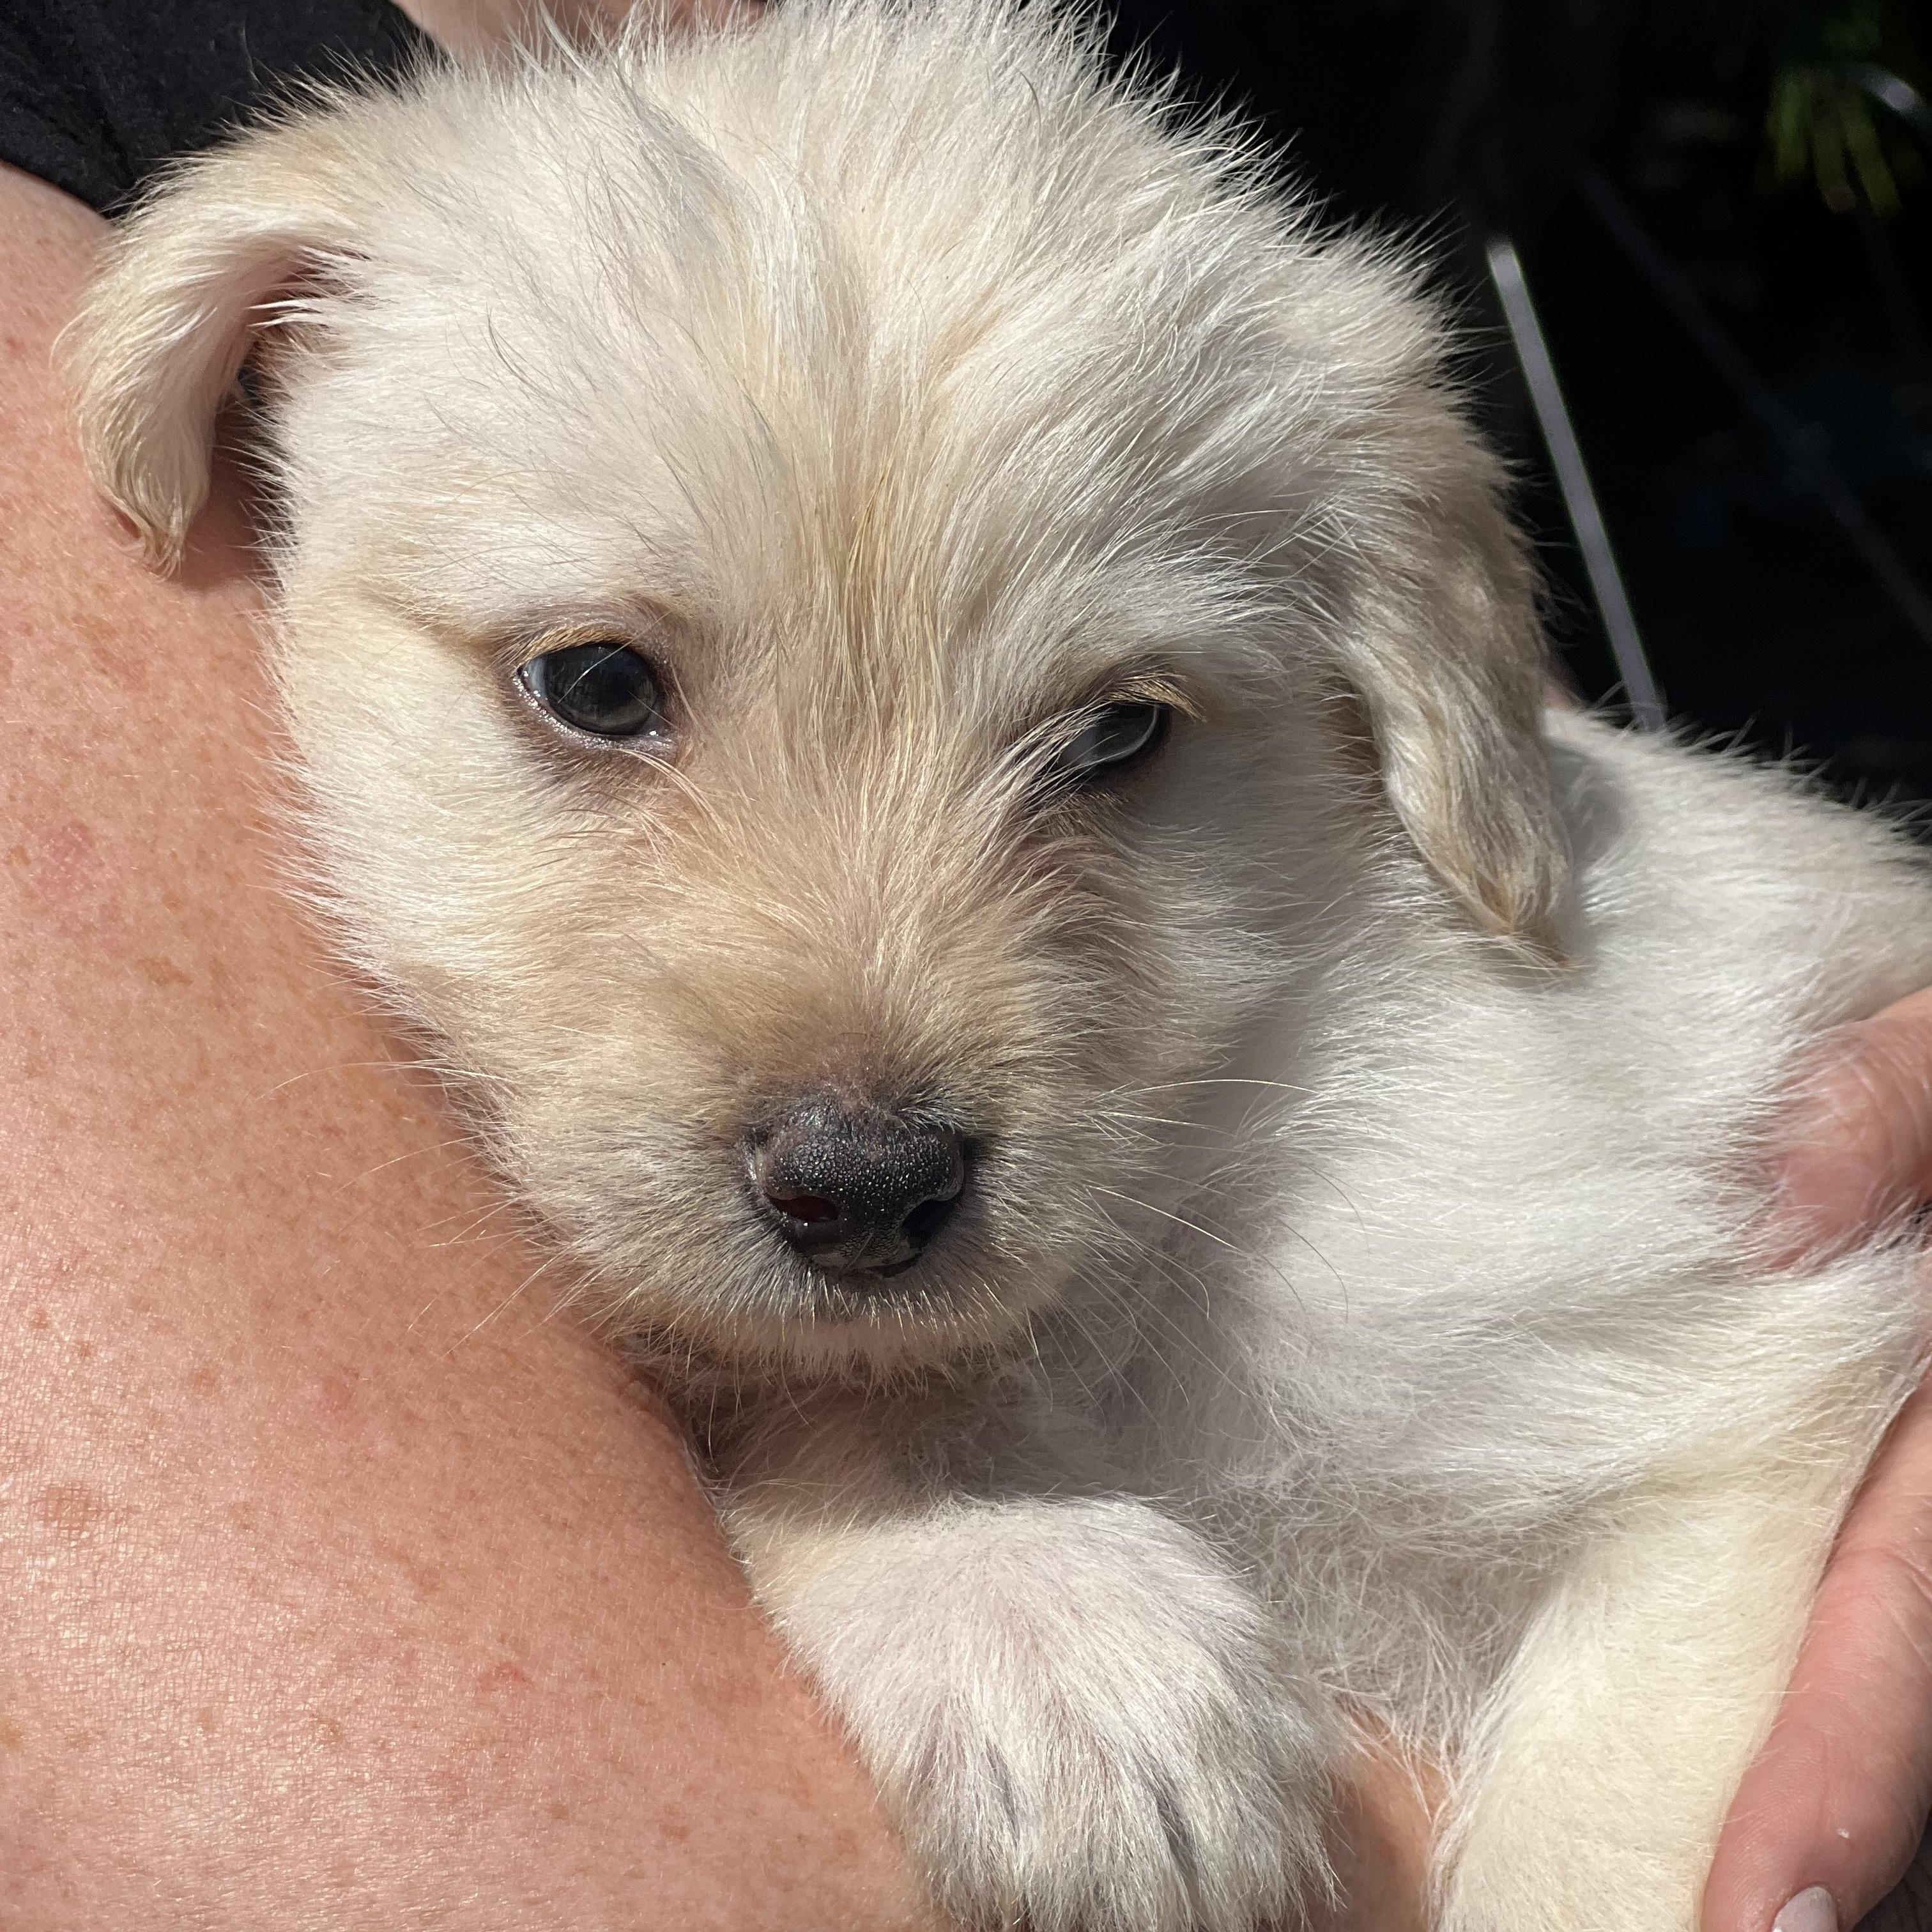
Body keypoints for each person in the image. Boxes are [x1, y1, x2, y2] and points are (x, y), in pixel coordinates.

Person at [0, 4, 1927, 1926]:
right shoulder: (210, 193)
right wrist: (864, 1530)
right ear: (247, 361)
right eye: (600, 691)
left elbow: (1748, 1463)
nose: (860, 1098)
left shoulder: (1390, 1137)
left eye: (1109, 742)